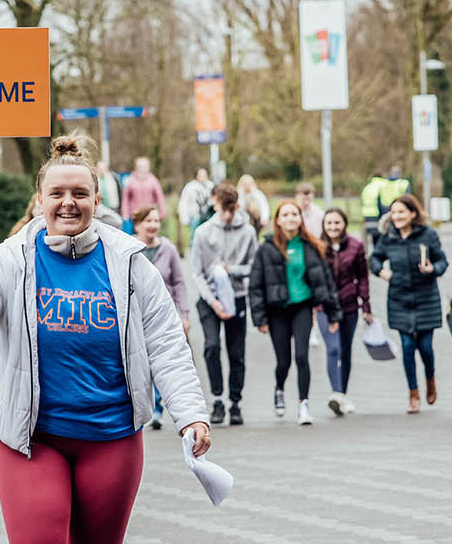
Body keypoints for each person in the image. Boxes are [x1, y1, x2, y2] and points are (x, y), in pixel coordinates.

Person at [0, 134, 209, 544]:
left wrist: (190, 414)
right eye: (57, 193)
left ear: (97, 202)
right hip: (31, 439)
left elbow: (166, 342)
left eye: (80, 193)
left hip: (112, 440)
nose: (68, 202)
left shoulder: (130, 262)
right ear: (39, 200)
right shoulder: (12, 257)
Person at [249, 201, 340, 425]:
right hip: (276, 310)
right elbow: (256, 285)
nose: (290, 218)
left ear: (300, 219)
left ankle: (303, 405)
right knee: (283, 361)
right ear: (278, 220)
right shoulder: (267, 248)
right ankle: (279, 388)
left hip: (302, 307)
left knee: (301, 356)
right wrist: (259, 318)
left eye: (294, 214)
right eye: (285, 215)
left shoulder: (311, 246)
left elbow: (324, 282)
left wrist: (333, 313)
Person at [370, 194, 448, 414]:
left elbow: (443, 261)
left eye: (401, 212)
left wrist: (433, 269)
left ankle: (430, 378)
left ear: (413, 213)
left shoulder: (428, 235)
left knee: (425, 347)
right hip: (399, 298)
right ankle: (413, 392)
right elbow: (374, 259)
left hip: (426, 298)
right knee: (406, 346)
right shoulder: (388, 237)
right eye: (394, 213)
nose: (397, 217)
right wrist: (382, 272)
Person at [190, 183, 259, 426]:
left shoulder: (248, 232)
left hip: (237, 296)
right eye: (223, 210)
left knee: (236, 351)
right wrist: (212, 301)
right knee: (211, 346)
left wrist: (233, 270)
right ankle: (217, 399)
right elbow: (196, 272)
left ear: (237, 206)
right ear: (215, 205)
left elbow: (254, 266)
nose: (228, 216)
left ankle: (235, 402)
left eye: (232, 209)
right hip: (210, 298)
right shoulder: (202, 233)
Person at [133, 205, 190, 430]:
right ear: (137, 225)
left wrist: (183, 314)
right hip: (134, 315)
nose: (153, 225)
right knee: (141, 362)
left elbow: (178, 282)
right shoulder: (128, 248)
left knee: (160, 358)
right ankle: (147, 403)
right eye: (148, 221)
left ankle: (158, 407)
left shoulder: (168, 249)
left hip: (161, 315)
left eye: (156, 221)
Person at [317, 208, 371, 416]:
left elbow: (363, 277)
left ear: (345, 224)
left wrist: (366, 305)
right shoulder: (318, 247)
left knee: (346, 350)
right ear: (324, 225)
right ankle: (336, 393)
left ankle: (343, 393)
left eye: (337, 223)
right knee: (333, 349)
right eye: (329, 223)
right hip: (325, 307)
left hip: (349, 305)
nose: (333, 227)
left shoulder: (356, 246)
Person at [360, 166, 412, 246]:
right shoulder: (401, 183)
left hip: (368, 215)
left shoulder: (368, 187)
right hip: (389, 213)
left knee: (375, 240)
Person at [121, 157, 166, 223]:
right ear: (136, 167)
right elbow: (125, 198)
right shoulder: (130, 179)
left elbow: (159, 197)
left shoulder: (153, 180)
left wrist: (162, 212)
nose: (143, 168)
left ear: (148, 167)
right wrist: (125, 213)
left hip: (149, 214)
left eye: (145, 166)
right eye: (140, 166)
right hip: (134, 215)